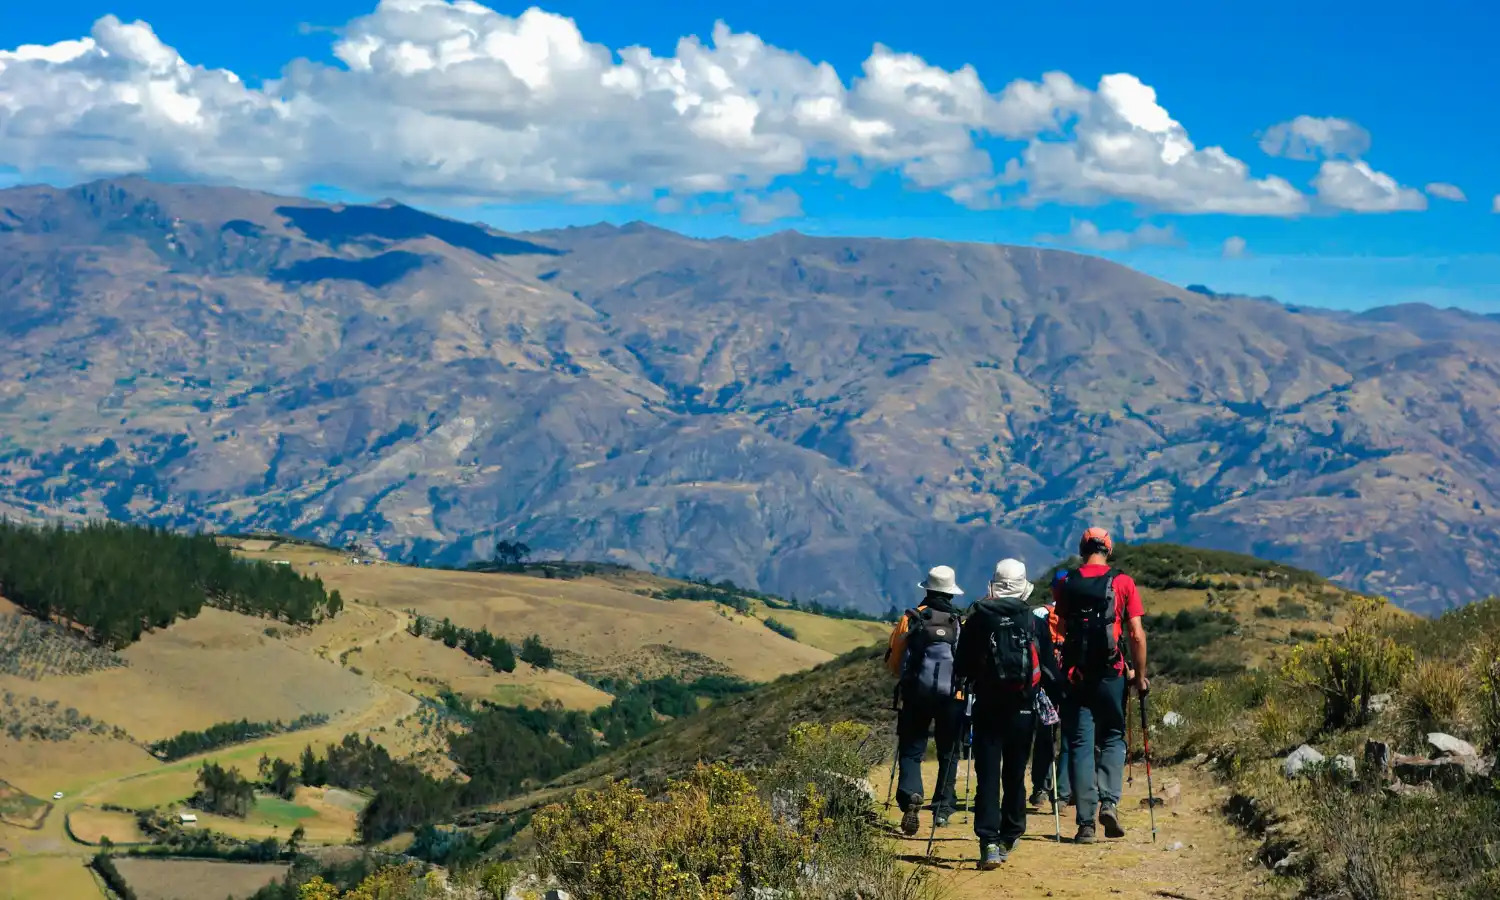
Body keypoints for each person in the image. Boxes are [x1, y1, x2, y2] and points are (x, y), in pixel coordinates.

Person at [1052, 527, 1148, 844]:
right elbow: (1135, 634)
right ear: (1109, 550)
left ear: (1082, 550)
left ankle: (1085, 825)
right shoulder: (1123, 582)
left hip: (1077, 675)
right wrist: (1139, 676)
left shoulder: (1066, 583)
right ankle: (1109, 803)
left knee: (1081, 744)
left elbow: (1061, 628)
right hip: (1112, 673)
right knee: (1113, 737)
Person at [954, 558, 1041, 869]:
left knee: (988, 775)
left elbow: (961, 665)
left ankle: (988, 842)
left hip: (988, 706)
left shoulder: (979, 619)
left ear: (994, 585)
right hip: (1023, 706)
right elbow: (1048, 668)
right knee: (1015, 774)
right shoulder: (1033, 619)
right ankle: (1010, 833)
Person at [884, 565, 966, 836]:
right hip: (952, 696)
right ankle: (943, 807)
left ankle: (911, 795)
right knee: (948, 751)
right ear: (951, 592)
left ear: (928, 590)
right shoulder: (959, 621)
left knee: (911, 748)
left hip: (916, 694)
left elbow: (895, 660)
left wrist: (907, 679)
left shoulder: (911, 618)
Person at [1028, 598, 1071, 810]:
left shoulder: (1039, 613)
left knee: (1045, 734)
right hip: (1071, 680)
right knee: (1070, 737)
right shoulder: (1080, 610)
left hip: (1045, 681)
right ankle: (1063, 792)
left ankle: (1040, 788)